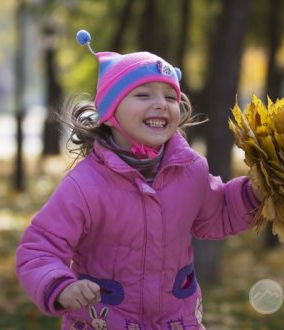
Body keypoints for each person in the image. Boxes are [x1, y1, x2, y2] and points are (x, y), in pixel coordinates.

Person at [15, 29, 262, 330]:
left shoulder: (190, 170)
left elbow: (218, 213)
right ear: (110, 112)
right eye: (143, 95)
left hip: (175, 321)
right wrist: (61, 286)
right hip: (105, 322)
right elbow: (40, 248)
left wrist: (257, 192)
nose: (161, 104)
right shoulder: (85, 186)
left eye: (170, 97)